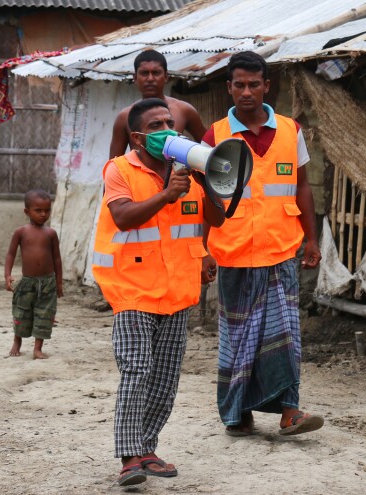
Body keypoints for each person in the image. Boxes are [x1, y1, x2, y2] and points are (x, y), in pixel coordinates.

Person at [92, 97, 225, 487]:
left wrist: (209, 182)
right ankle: (130, 456)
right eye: (155, 126)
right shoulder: (119, 169)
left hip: (178, 289)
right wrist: (167, 194)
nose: (168, 130)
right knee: (137, 369)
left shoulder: (187, 171)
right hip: (131, 287)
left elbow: (213, 218)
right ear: (136, 137)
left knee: (165, 377)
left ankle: (147, 448)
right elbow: (122, 216)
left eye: (171, 122)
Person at [202, 51, 323, 437]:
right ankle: (238, 413)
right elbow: (202, 198)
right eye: (239, 85)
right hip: (234, 252)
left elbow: (303, 187)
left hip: (281, 251)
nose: (247, 92)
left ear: (267, 86)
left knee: (285, 335)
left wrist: (312, 239)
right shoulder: (215, 136)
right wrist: (202, 250)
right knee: (238, 339)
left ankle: (290, 411)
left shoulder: (291, 130)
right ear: (229, 87)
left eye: (254, 84)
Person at [109, 49, 206, 159]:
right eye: (144, 73)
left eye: (156, 73)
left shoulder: (184, 110)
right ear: (135, 77)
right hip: (140, 175)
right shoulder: (124, 117)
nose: (150, 79)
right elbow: (114, 164)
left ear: (166, 77)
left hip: (177, 175)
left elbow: (209, 148)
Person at [4, 189, 63, 360]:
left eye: (47, 210)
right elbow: (10, 254)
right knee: (22, 312)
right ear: (26, 211)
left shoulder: (51, 234)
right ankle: (17, 341)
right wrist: (7, 275)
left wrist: (58, 283)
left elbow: (57, 259)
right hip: (27, 282)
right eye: (38, 210)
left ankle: (38, 349)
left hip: (48, 283)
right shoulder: (21, 232)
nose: (43, 214)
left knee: (45, 314)